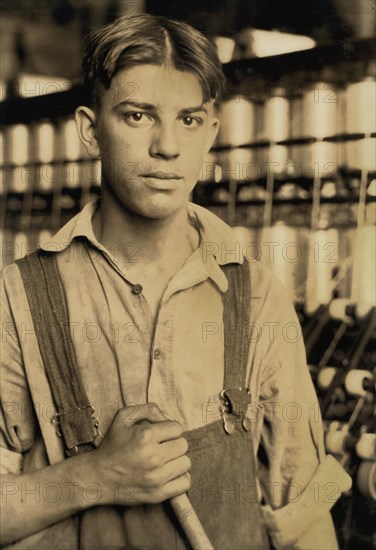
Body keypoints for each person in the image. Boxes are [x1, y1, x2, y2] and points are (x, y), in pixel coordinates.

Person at [1, 13, 351, 550]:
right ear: (91, 131)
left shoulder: (254, 293)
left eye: (188, 120)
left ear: (211, 133)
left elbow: (303, 510)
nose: (167, 146)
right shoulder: (18, 297)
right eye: (139, 116)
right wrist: (96, 476)